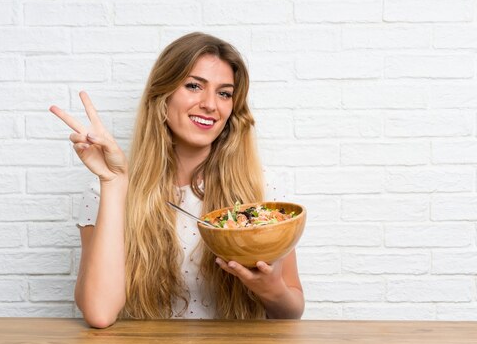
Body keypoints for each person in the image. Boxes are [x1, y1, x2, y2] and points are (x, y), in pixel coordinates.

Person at [49, 32, 305, 328]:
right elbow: (99, 314)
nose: (211, 104)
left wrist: (271, 289)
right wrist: (114, 180)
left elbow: (292, 311)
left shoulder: (260, 192)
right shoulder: (105, 191)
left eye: (224, 93)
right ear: (163, 95)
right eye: (194, 86)